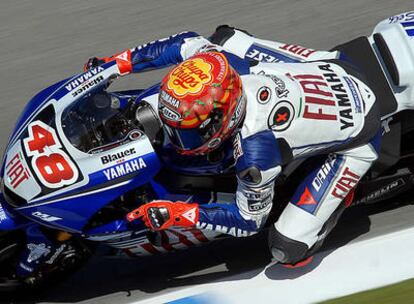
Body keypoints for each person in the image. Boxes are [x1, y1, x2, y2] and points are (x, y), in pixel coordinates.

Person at [85, 26, 380, 265]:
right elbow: (182, 43)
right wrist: (111, 67)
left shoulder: (255, 154)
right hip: (327, 65)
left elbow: (248, 221)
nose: (177, 140)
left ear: (226, 119)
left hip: (361, 129)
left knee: (287, 247)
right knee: (225, 37)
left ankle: (344, 194)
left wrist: (177, 214)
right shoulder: (217, 62)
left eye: (188, 133)